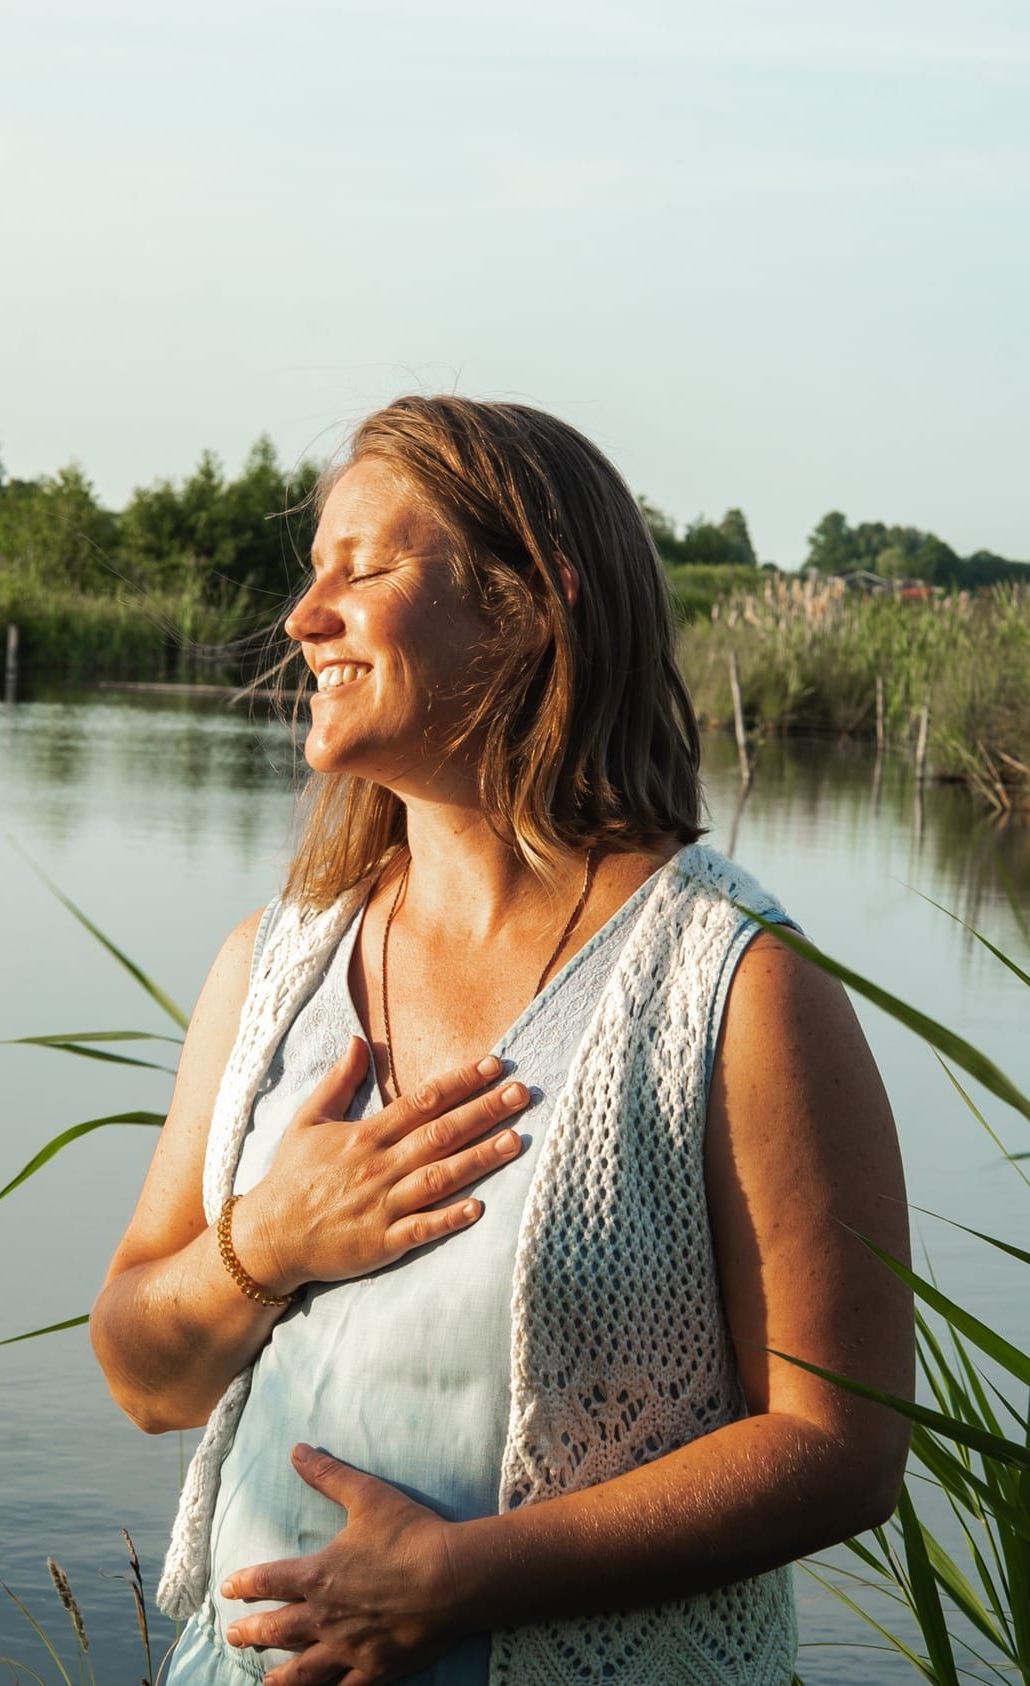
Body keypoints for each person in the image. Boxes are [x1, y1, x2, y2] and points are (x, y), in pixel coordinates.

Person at [90, 396, 913, 1686]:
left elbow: (839, 1448)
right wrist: (265, 1242)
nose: (304, 618)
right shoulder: (272, 966)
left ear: (535, 604)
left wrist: (457, 1581)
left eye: (365, 571)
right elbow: (147, 1383)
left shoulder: (736, 986)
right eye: (313, 574)